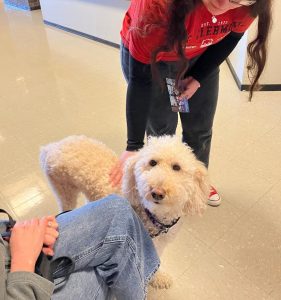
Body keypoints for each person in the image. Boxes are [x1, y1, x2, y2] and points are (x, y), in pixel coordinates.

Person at [109, 0, 272, 207]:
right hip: (155, 58)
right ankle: (156, 186)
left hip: (201, 55)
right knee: (161, 128)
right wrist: (133, 145)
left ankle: (195, 186)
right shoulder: (157, 7)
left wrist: (198, 77)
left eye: (237, 0)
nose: (223, 5)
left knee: (200, 128)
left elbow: (231, 37)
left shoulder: (250, 4)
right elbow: (141, 81)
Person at [1, 195, 160, 299]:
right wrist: (23, 262)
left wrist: (15, 231)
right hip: (16, 284)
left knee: (118, 212)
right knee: (103, 266)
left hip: (5, 249)